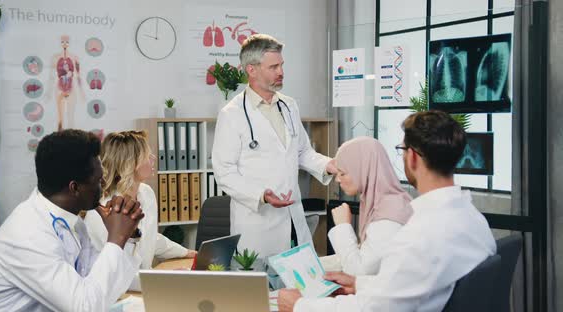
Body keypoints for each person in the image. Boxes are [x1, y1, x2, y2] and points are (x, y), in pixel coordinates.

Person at [278, 110, 497, 312]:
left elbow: (373, 308)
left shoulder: (420, 234)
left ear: (411, 157)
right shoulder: (470, 218)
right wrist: (359, 284)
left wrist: (300, 305)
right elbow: (411, 284)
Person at [0, 129, 143, 311]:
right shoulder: (27, 235)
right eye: (99, 181)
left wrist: (129, 236)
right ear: (74, 188)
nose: (103, 187)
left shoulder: (71, 222)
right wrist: (116, 238)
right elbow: (85, 307)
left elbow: (106, 285)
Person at [212, 34, 337, 262]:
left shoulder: (289, 105)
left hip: (292, 218)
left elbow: (302, 152)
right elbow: (224, 173)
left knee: (297, 289)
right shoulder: (232, 114)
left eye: (281, 65)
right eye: (273, 67)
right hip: (257, 226)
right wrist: (261, 195)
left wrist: (329, 164)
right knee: (261, 294)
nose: (281, 72)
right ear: (251, 69)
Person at [84, 131, 196, 290]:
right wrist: (164, 280)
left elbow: (150, 237)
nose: (153, 158)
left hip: (143, 286)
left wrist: (185, 252)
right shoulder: (104, 209)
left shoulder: (146, 193)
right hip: (116, 293)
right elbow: (112, 272)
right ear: (130, 163)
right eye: (147, 155)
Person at [322, 136, 412, 275]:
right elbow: (366, 253)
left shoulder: (389, 216)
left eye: (343, 173)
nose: (337, 179)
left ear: (363, 170)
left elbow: (359, 271)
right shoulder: (381, 202)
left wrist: (342, 226)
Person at [47, 35, 84, 131]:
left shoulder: (75, 57)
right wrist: (48, 92)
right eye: (62, 42)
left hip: (71, 88)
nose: (64, 44)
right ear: (59, 43)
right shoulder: (55, 57)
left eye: (67, 42)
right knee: (60, 118)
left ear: (70, 43)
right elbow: (51, 76)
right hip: (59, 88)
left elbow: (78, 75)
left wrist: (82, 92)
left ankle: (71, 141)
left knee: (71, 116)